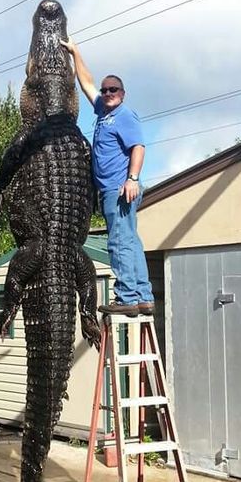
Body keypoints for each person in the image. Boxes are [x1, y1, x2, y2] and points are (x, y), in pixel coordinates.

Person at [61, 38, 154, 317]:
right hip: (111, 190)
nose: (108, 93)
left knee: (119, 242)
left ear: (122, 93)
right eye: (105, 90)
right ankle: (143, 295)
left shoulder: (125, 115)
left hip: (120, 189)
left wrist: (133, 179)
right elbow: (86, 82)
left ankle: (126, 296)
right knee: (131, 240)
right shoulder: (103, 110)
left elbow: (138, 146)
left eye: (113, 90)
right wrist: (75, 52)